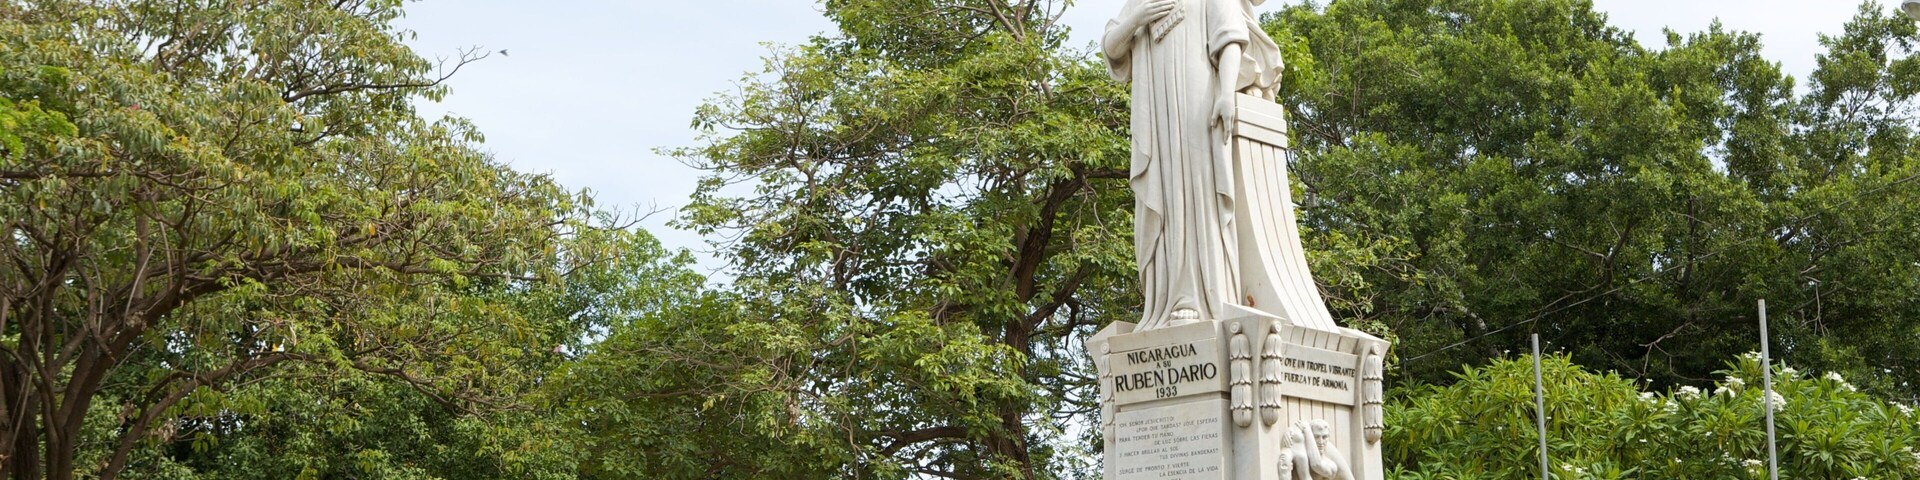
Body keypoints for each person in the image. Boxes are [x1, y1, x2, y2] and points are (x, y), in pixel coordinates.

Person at [1103, 0, 1284, 329]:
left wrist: (1227, 93)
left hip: (1197, 105)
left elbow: (1230, 38)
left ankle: (1198, 297)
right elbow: (1112, 47)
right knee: (1167, 199)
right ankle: (1169, 297)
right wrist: (1138, 20)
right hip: (1157, 119)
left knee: (1197, 194)